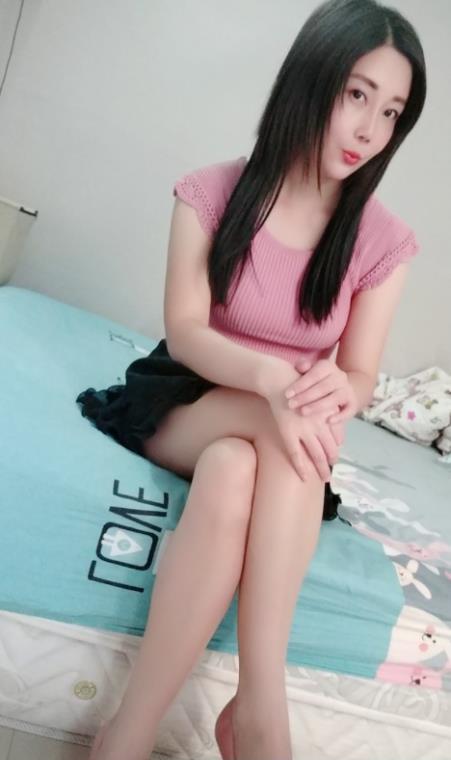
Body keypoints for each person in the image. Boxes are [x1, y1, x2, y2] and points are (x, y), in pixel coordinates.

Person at [77, 0, 426, 757]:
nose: (370, 129)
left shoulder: (382, 241)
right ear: (312, 78)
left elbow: (360, 372)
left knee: (237, 470)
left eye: (391, 112)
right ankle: (262, 705)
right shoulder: (211, 192)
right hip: (187, 397)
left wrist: (345, 390)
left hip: (280, 427)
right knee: (285, 427)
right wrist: (272, 379)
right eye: (357, 94)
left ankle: (126, 735)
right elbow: (186, 329)